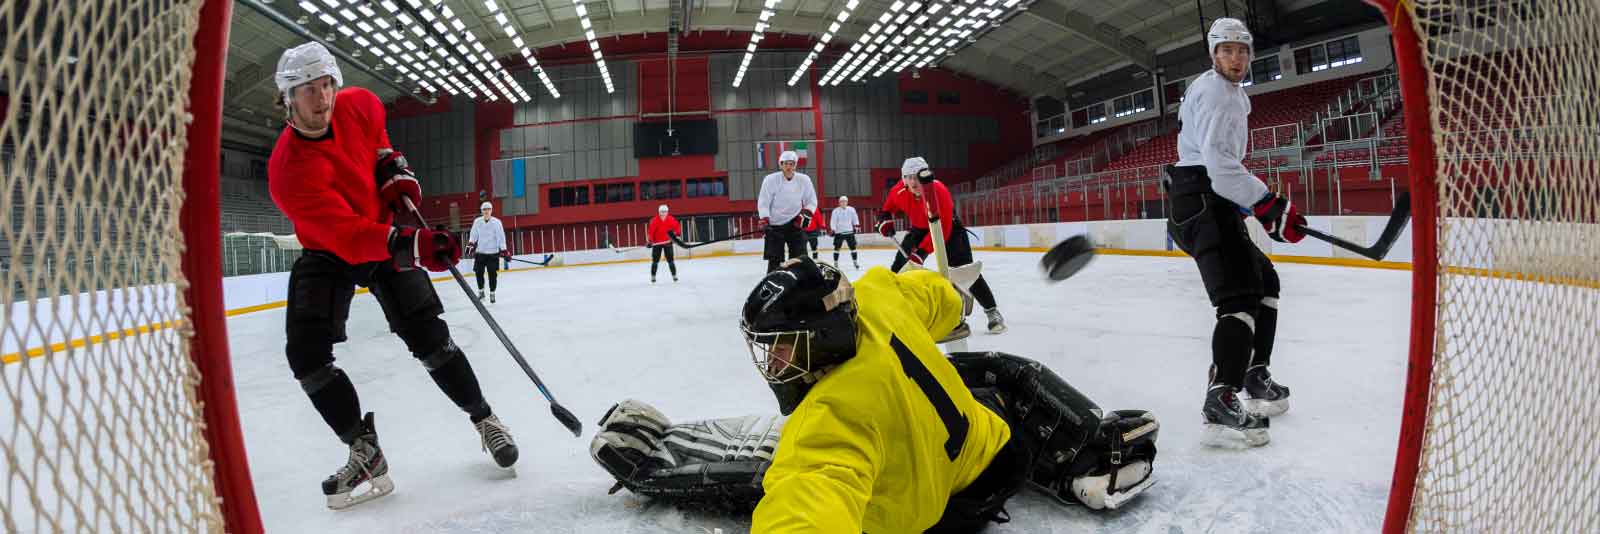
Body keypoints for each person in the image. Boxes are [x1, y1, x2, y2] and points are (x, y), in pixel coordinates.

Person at [588, 258, 1159, 531]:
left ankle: (669, 456)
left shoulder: (830, 418)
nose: (775, 361)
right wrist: (959, 303)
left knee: (779, 471)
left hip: (947, 512)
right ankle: (1083, 449)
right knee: (995, 370)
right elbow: (938, 296)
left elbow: (807, 507)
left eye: (783, 346)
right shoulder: (875, 295)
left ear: (820, 338)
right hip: (997, 453)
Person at [266, 42, 518, 510]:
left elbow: (378, 139)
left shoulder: (358, 103)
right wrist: (415, 245)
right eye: (307, 91)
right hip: (330, 248)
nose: (321, 100)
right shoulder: (288, 171)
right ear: (287, 98)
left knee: (430, 338)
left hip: (379, 228)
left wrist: (390, 167)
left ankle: (484, 418)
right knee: (305, 353)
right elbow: (347, 236)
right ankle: (365, 451)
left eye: (326, 86)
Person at [1166, 18, 1304, 448]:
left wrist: (1263, 204)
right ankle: (1220, 399)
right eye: (1227, 50)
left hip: (1206, 199)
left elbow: (1221, 167)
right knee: (1239, 298)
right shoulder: (1219, 96)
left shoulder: (1221, 90)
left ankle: (1253, 372)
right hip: (1204, 199)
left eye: (1242, 51)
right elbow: (1220, 166)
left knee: (1265, 281)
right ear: (1214, 54)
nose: (1236, 58)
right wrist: (1269, 205)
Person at [880, 156, 1007, 334]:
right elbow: (888, 207)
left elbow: (943, 228)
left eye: (917, 176)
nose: (913, 181)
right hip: (919, 229)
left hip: (949, 229)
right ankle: (894, 312)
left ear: (926, 176)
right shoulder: (898, 190)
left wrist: (922, 252)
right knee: (898, 268)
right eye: (908, 177)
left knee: (964, 270)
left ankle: (992, 312)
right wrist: (885, 219)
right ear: (903, 179)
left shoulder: (938, 190)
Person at [756, 150, 818, 273]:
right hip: (774, 226)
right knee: (775, 260)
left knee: (799, 258)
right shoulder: (770, 180)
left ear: (795, 165)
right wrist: (764, 218)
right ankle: (774, 283)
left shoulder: (804, 180)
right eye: (785, 164)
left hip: (795, 223)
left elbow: (811, 201)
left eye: (791, 164)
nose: (788, 167)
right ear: (780, 165)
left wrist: (805, 214)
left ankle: (799, 284)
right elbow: (763, 201)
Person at [466, 201, 508, 303]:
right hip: (480, 253)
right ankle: (481, 292)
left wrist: (504, 250)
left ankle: (492, 293)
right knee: (478, 273)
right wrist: (470, 244)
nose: (486, 211)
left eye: (488, 209)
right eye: (484, 209)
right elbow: (473, 235)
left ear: (491, 210)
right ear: (481, 211)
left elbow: (501, 237)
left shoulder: (497, 222)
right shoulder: (477, 222)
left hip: (493, 254)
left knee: (492, 274)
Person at [646, 204, 680, 283]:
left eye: (665, 211)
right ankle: (653, 276)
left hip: (668, 242)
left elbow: (677, 227)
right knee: (655, 261)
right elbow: (650, 232)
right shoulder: (654, 220)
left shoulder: (671, 219)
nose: (663, 213)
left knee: (670, 260)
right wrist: (650, 241)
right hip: (657, 243)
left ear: (667, 212)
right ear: (659, 212)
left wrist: (677, 234)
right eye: (662, 211)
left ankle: (674, 276)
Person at [829, 195, 860, 269]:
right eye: (841, 201)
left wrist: (856, 225)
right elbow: (833, 221)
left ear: (847, 202)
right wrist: (833, 229)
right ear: (839, 203)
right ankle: (836, 263)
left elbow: (855, 218)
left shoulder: (852, 209)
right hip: (839, 233)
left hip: (849, 232)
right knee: (837, 248)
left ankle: (855, 262)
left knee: (853, 248)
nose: (843, 203)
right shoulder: (835, 211)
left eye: (845, 201)